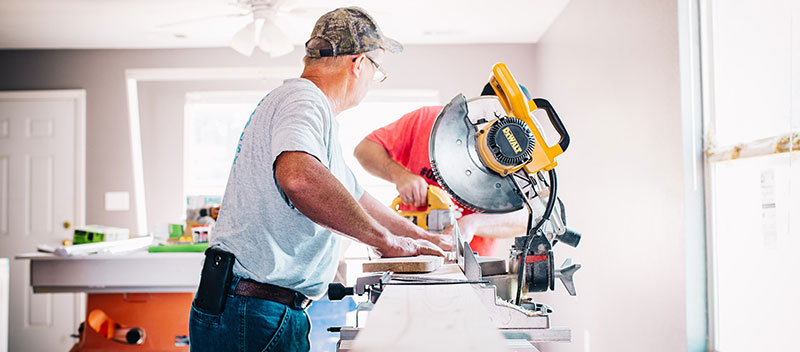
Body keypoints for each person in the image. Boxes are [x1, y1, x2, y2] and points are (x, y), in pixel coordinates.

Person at [188, 7, 452, 352]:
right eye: (377, 70)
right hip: (254, 310)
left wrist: (420, 237)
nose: (373, 79)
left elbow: (356, 197)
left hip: (254, 307)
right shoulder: (304, 99)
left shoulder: (305, 108)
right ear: (359, 63)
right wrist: (385, 241)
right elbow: (299, 178)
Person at [354, 83, 531, 257]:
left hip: (471, 261)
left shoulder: (520, 159)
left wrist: (472, 224)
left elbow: (527, 218)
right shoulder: (427, 120)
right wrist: (400, 175)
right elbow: (365, 149)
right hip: (410, 250)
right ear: (480, 106)